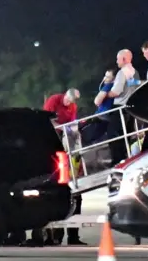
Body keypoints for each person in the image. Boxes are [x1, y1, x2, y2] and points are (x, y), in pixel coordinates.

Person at [43, 88, 86, 246]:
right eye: (67, 101)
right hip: (52, 134)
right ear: (65, 96)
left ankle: (73, 237)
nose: (68, 104)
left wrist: (73, 126)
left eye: (71, 102)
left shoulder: (72, 107)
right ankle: (54, 236)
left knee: (75, 198)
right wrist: (62, 127)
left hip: (65, 137)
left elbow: (72, 122)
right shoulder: (54, 100)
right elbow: (45, 120)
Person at [106, 49, 140, 166]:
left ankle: (117, 161)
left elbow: (116, 91)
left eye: (118, 59)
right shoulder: (134, 71)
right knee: (127, 136)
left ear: (124, 59)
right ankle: (126, 159)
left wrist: (106, 94)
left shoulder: (122, 72)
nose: (116, 62)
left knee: (113, 135)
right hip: (131, 109)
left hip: (120, 108)